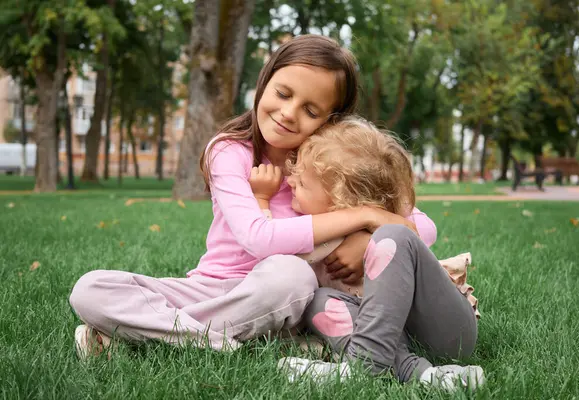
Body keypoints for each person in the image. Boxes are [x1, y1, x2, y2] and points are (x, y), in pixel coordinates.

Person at [68, 35, 426, 359]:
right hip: (215, 289)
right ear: (264, 81)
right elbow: (258, 238)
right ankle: (225, 340)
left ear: (330, 120)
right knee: (91, 289)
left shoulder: (330, 166)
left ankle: (152, 337)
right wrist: (363, 217)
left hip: (291, 299)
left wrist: (367, 244)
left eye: (311, 110)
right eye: (283, 94)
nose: (289, 113)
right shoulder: (228, 151)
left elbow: (421, 228)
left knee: (291, 273)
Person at [249, 117, 484, 392]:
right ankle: (421, 375)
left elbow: (416, 230)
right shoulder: (311, 232)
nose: (289, 181)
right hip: (392, 342)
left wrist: (369, 238)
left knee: (394, 236)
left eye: (301, 182)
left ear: (340, 199)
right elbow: (271, 246)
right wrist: (261, 200)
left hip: (443, 332)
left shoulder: (386, 228)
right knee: (319, 300)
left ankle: (363, 367)